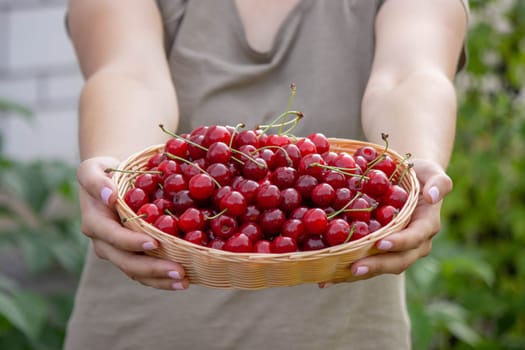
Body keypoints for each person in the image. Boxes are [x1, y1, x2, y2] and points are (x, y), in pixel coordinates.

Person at [64, 0, 468, 349]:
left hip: (339, 336)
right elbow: (130, 74)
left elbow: (409, 75)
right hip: (139, 332)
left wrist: (414, 167)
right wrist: (119, 176)